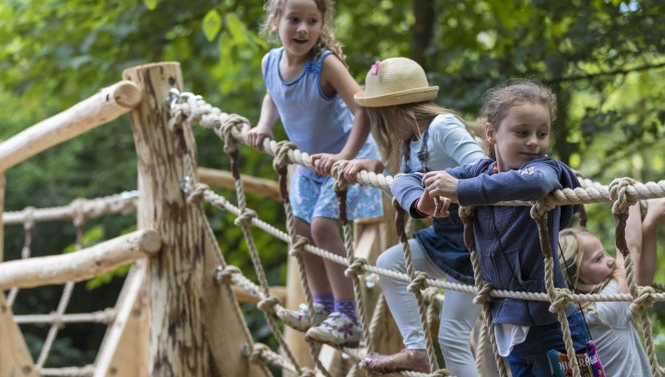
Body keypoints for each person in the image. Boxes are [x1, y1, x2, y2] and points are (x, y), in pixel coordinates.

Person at [391, 78, 592, 376]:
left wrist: (460, 190)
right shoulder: (480, 171)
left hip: (554, 324)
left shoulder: (548, 168)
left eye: (542, 133)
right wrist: (421, 202)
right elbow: (403, 180)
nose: (534, 141)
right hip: (509, 325)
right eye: (521, 133)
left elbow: (533, 184)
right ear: (491, 133)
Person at [341, 57, 492, 376]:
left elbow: (484, 169)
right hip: (446, 239)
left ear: (393, 110)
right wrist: (378, 167)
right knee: (389, 263)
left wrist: (451, 185)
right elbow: (409, 190)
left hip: (476, 244)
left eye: (377, 115)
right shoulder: (411, 143)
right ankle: (417, 350)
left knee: (452, 336)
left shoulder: (442, 128)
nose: (375, 124)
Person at [246, 0, 383, 348]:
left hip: (349, 158)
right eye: (294, 20)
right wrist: (264, 126)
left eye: (312, 20)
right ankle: (322, 307)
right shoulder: (270, 62)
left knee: (323, 226)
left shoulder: (326, 65)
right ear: (275, 21)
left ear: (322, 24)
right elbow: (273, 95)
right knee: (301, 229)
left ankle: (349, 318)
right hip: (310, 162)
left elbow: (364, 109)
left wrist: (344, 156)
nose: (303, 29)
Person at [558, 199, 665, 376]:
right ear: (575, 278)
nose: (610, 260)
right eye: (598, 259)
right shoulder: (603, 311)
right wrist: (630, 198)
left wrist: (650, 226)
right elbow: (629, 250)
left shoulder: (574, 315)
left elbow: (640, 283)